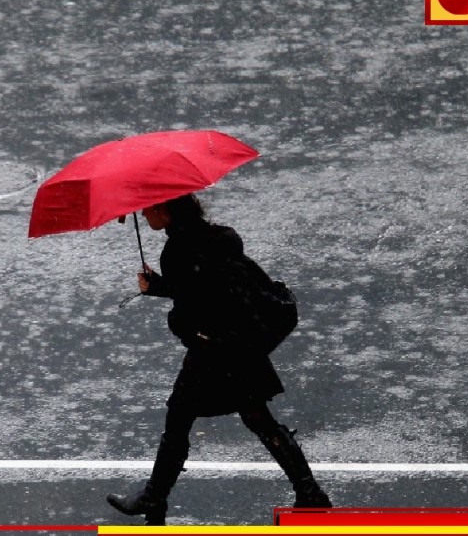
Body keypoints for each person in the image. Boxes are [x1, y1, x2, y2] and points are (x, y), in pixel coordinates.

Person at [106, 193, 331, 525]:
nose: (143, 212)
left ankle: (155, 497)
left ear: (164, 210)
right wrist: (161, 287)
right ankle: (310, 493)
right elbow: (206, 286)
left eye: (148, 206)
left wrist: (174, 316)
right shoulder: (215, 237)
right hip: (242, 342)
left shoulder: (177, 251)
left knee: (180, 416)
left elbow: (191, 308)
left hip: (214, 349)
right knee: (256, 416)